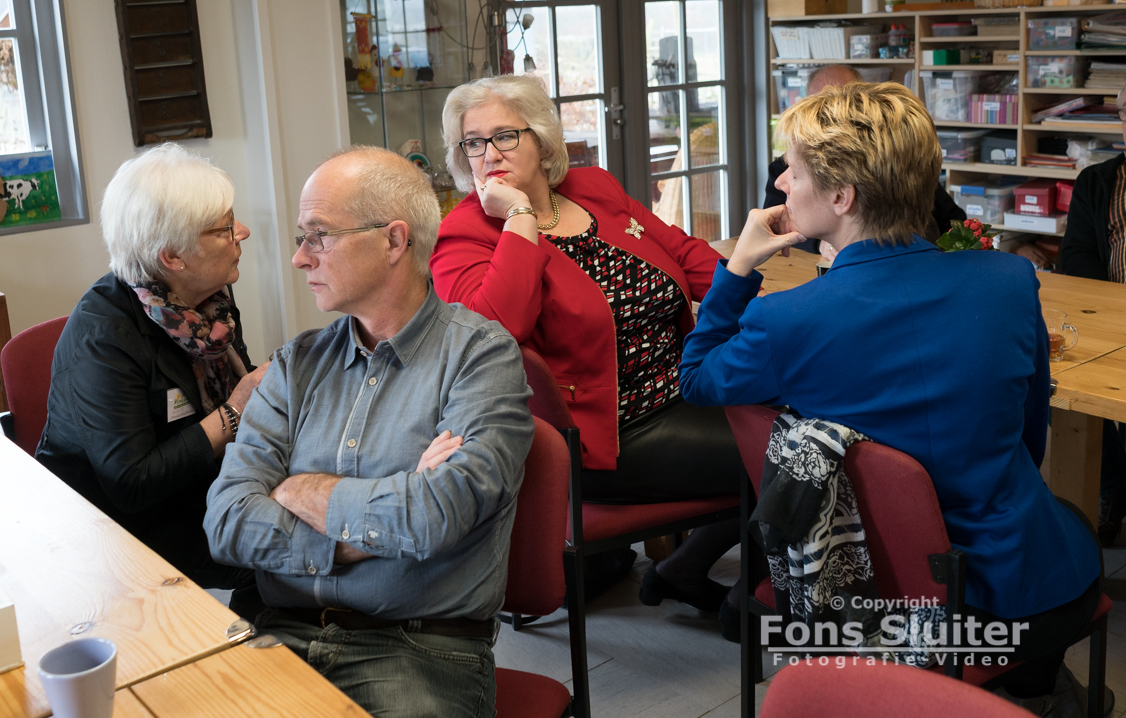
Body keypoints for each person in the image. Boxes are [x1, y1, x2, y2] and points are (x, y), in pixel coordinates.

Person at [682, 81, 1101, 710]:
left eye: (792, 171)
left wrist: (739, 266)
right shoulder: (1011, 280)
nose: (781, 184)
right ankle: (1037, 691)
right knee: (1064, 518)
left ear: (842, 197)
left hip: (879, 593)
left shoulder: (787, 322)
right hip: (1027, 590)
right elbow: (1028, 437)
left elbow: (696, 377)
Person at [202, 147, 533, 718]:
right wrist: (383, 516)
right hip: (278, 634)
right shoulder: (294, 366)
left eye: (319, 236)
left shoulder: (481, 358)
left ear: (394, 241)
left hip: (417, 651)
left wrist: (295, 488)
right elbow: (226, 523)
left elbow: (433, 516)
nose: (299, 258)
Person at [430, 74, 744, 615]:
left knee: (806, 417)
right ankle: (754, 600)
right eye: (473, 143)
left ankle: (686, 566)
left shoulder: (592, 187)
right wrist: (520, 218)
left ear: (542, 140)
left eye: (504, 136)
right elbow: (494, 332)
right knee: (789, 453)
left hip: (687, 387)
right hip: (609, 434)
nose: (489, 154)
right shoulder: (463, 235)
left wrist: (756, 296)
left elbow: (681, 253)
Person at [37, 144, 268, 592]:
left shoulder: (209, 308)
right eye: (224, 228)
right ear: (173, 258)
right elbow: (132, 483)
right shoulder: (103, 336)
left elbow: (231, 384)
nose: (242, 232)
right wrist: (235, 413)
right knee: (290, 560)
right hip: (119, 543)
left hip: (200, 495)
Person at [763, 64, 965, 258]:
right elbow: (776, 225)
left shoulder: (900, 164)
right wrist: (819, 243)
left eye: (842, 102)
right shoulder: (784, 169)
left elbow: (955, 222)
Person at [1059, 83, 1126, 545]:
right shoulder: (1098, 182)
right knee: (1063, 390)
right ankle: (1110, 482)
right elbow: (1076, 257)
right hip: (1110, 319)